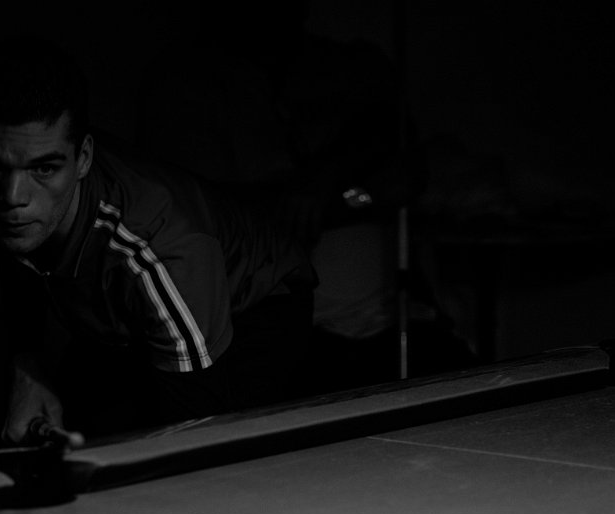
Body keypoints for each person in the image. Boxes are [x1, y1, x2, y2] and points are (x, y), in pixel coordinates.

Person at [0, 36, 316, 445]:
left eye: (44, 169)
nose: (13, 197)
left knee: (200, 455)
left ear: (83, 159)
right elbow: (17, 251)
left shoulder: (160, 253)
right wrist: (27, 367)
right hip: (126, 313)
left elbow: (196, 436)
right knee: (75, 433)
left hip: (257, 301)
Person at [135, 2, 476, 392]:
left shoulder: (350, 65)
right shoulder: (187, 82)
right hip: (271, 336)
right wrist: (334, 199)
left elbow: (403, 170)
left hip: (391, 324)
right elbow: (199, 210)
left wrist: (333, 186)